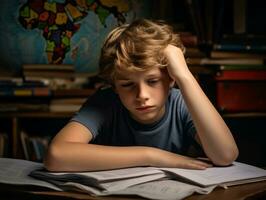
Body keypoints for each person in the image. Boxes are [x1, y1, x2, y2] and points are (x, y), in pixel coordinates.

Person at [44, 19, 238, 172]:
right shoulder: (105, 102)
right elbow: (56, 155)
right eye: (127, 84)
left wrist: (184, 75)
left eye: (152, 81)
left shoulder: (181, 103)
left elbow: (226, 155)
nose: (142, 95)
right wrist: (150, 156)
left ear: (170, 79)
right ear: (113, 85)